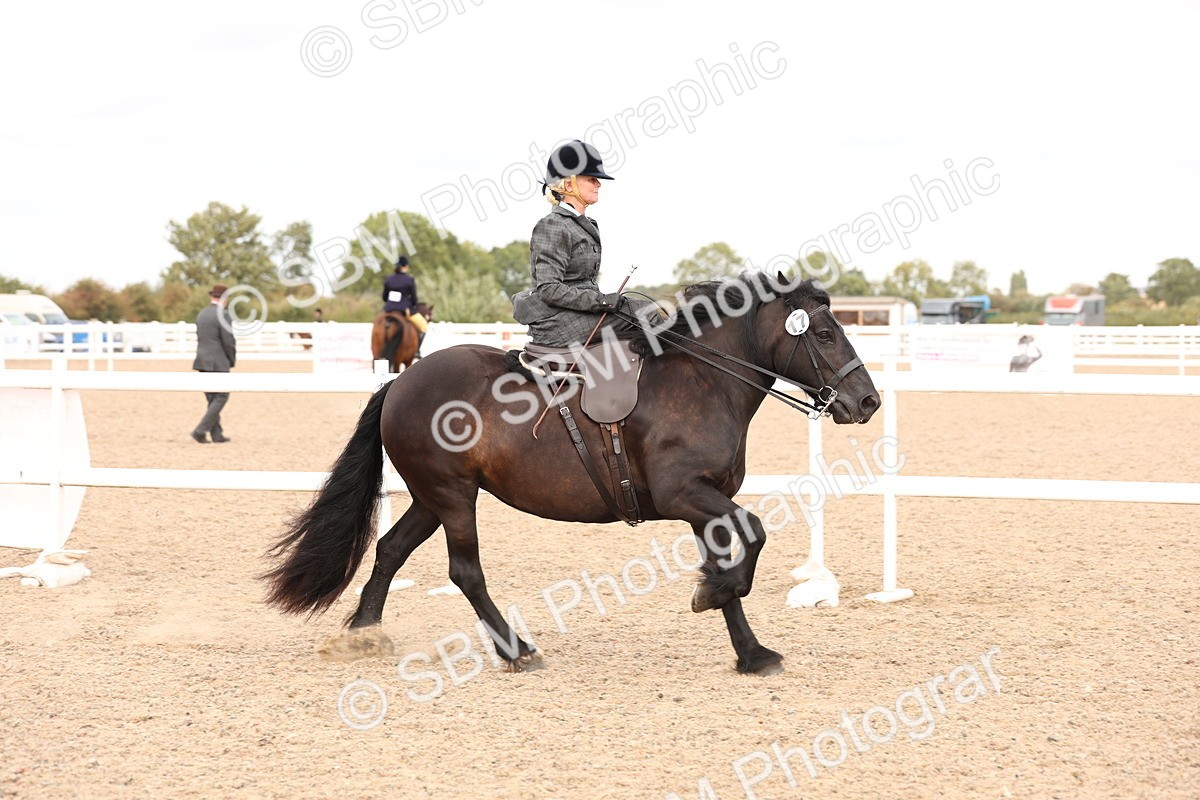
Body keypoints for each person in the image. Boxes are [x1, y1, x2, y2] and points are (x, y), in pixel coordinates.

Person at [512, 139, 653, 347]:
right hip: (556, 321)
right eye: (591, 179)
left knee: (645, 309)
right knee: (647, 314)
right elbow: (549, 289)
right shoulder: (553, 225)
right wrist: (601, 301)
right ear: (569, 185)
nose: (598, 184)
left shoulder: (584, 224)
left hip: (577, 313)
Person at [191, 284, 236, 443]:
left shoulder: (202, 314)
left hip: (202, 360)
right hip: (218, 361)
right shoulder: (223, 315)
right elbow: (228, 341)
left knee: (212, 399)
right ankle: (200, 430)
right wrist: (231, 359)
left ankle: (217, 434)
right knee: (222, 396)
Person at [381, 256, 427, 358]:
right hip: (404, 310)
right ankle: (416, 351)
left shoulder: (388, 279)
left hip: (389, 310)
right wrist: (413, 305)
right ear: (405, 266)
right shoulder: (409, 280)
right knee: (424, 326)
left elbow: (384, 297)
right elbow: (414, 298)